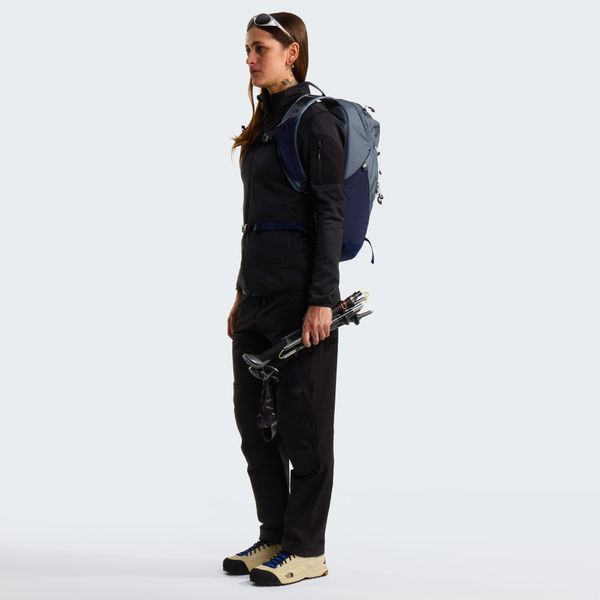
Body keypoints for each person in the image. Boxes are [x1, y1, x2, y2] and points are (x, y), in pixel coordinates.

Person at [222, 12, 345, 587]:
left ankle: (306, 549)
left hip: (302, 300)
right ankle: (274, 535)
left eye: (260, 48)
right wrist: (239, 292)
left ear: (292, 52)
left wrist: (322, 300)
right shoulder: (264, 125)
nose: (250, 58)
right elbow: (256, 220)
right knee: (255, 427)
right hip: (256, 297)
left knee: (304, 427)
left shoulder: (314, 121)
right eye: (247, 48)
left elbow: (329, 214)